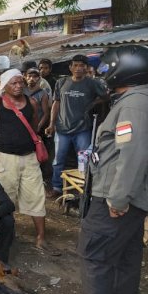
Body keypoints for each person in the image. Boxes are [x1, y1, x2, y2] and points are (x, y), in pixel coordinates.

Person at [57, 45, 148, 294]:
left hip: (116, 196)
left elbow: (133, 153)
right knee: (125, 259)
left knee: (94, 255)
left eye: (107, 68)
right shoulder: (141, 100)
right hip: (134, 197)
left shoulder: (134, 105)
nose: (102, 74)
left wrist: (117, 198)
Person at [0, 69, 59, 255]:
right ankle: (5, 234)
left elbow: (33, 127)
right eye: (14, 83)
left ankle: (41, 238)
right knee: (3, 197)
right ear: (5, 86)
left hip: (29, 157)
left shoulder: (31, 103)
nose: (18, 86)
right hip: (4, 159)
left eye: (20, 83)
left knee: (36, 195)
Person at [46, 54, 108, 197]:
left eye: (82, 65)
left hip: (83, 129)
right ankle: (57, 187)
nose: (78, 68)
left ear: (87, 68)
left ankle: (83, 189)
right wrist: (51, 124)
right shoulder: (61, 82)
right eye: (75, 65)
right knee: (58, 160)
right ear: (70, 67)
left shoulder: (92, 83)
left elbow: (106, 96)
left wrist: (94, 103)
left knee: (84, 161)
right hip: (62, 129)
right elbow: (56, 103)